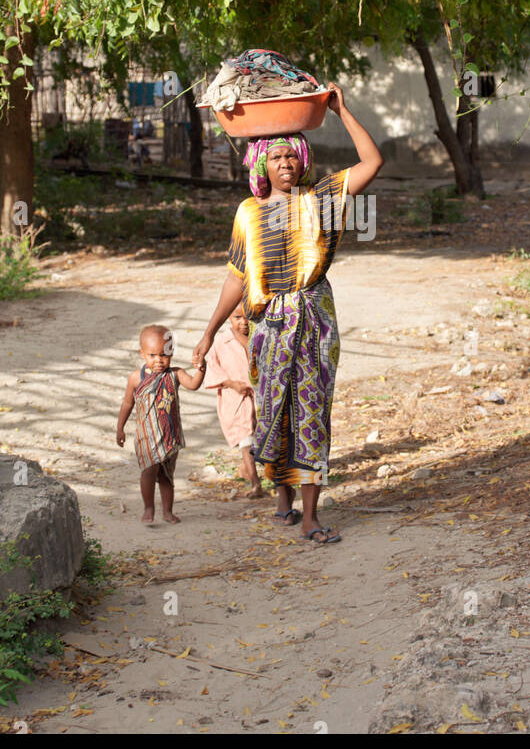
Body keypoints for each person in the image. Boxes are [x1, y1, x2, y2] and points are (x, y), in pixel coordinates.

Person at [193, 82, 383, 545]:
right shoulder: (247, 214)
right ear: (261, 164)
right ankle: (283, 498)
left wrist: (341, 109)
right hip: (270, 326)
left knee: (311, 410)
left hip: (314, 316)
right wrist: (207, 333)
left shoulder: (321, 199)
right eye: (275, 158)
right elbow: (237, 277)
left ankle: (311, 515)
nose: (285, 165)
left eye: (292, 157)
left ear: (303, 161)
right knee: (274, 410)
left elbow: (372, 163)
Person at [116, 324, 205, 525]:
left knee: (167, 476)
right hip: (147, 437)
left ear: (172, 352)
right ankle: (149, 508)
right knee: (148, 471)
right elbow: (127, 402)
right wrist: (120, 428)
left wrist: (201, 369)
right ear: (142, 354)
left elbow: (194, 384)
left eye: (164, 355)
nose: (159, 360)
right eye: (152, 355)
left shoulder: (175, 374)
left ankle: (167, 511)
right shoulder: (135, 378)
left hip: (169, 436)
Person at [202, 303, 263, 497]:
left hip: (261, 397)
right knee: (246, 439)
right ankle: (255, 483)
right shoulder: (221, 342)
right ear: (228, 317)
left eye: (247, 317)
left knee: (263, 436)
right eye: (237, 318)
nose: (243, 322)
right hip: (235, 399)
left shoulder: (261, 336)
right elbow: (211, 366)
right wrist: (231, 383)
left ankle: (252, 471)